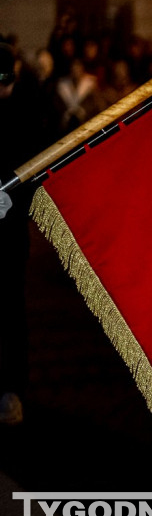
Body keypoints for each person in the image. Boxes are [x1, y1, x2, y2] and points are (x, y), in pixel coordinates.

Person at [1, 41, 50, 425]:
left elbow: (34, 167)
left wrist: (11, 201)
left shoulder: (24, 111)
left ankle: (12, 389)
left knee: (10, 306)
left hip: (8, 228)